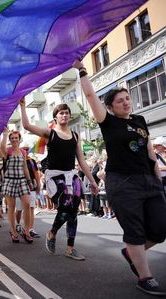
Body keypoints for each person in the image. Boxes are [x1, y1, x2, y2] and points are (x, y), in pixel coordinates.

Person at [74, 60, 166, 295]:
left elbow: (148, 150)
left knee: (160, 229)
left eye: (127, 98)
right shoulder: (108, 122)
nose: (126, 102)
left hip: (149, 180)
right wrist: (82, 70)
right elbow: (90, 95)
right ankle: (145, 277)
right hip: (123, 182)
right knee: (134, 231)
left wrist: (156, 175)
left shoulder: (140, 121)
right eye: (119, 100)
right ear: (111, 107)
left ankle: (131, 254)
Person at [20, 97, 98, 260]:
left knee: (74, 212)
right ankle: (52, 232)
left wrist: (92, 181)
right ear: (55, 117)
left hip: (71, 176)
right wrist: (22, 107)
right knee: (66, 205)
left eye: (67, 113)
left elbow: (81, 161)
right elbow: (27, 126)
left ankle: (70, 248)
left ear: (70, 116)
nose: (64, 115)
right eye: (61, 113)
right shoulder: (50, 133)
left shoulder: (76, 136)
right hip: (55, 177)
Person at [0, 129, 34, 243]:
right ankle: (13, 231)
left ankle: (27, 231)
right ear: (10, 140)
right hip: (10, 181)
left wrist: (29, 181)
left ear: (19, 139)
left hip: (22, 181)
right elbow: (1, 148)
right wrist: (5, 135)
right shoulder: (8, 151)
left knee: (28, 204)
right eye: (12, 138)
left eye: (16, 138)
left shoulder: (23, 152)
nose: (14, 139)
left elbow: (25, 167)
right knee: (11, 206)